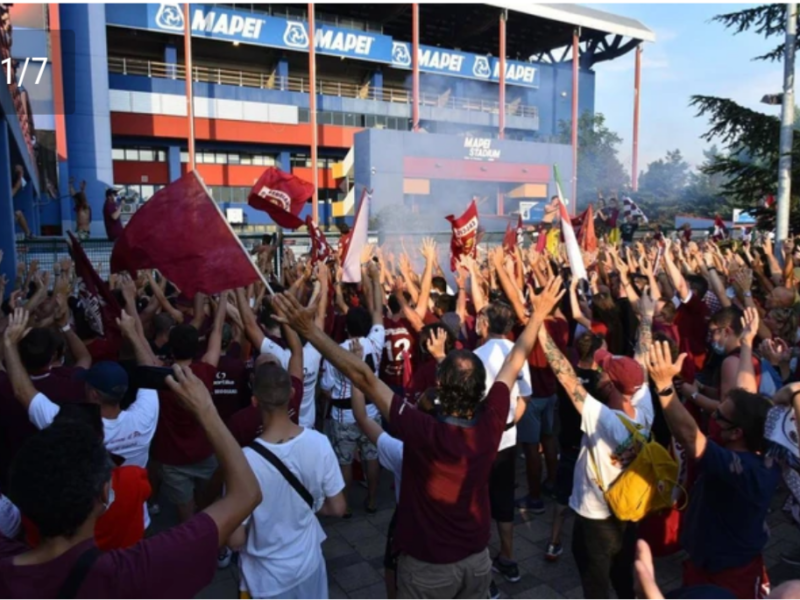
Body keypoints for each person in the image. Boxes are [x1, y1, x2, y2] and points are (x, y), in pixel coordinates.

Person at [270, 275, 565, 599]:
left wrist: (310, 331)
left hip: (428, 568)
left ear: (441, 385)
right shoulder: (491, 422)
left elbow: (364, 378)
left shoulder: (422, 429)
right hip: (477, 561)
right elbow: (514, 359)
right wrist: (537, 316)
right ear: (482, 388)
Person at [0, 362, 261, 598]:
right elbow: (247, 493)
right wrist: (205, 410)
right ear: (105, 493)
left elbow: (25, 393)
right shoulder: (134, 574)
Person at [537, 287, 655, 600]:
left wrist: (537, 321)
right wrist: (647, 318)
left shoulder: (603, 419)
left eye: (603, 367)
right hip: (629, 511)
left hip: (596, 517)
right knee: (622, 575)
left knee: (595, 584)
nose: (599, 368)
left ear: (608, 381)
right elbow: (641, 357)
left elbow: (565, 375)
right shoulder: (644, 407)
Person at [646, 339, 779, 599]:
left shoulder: (746, 470)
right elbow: (745, 394)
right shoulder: (744, 443)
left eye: (720, 416)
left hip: (731, 576)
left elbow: (688, 435)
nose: (713, 417)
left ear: (737, 432)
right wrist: (746, 343)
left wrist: (663, 388)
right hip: (704, 563)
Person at [228, 358, 345, 600]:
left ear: (254, 401)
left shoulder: (243, 462)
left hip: (264, 580)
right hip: (309, 567)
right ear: (292, 394)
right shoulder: (319, 443)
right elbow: (338, 507)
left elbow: (235, 538)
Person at [152, 293, 228, 523]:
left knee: (186, 517)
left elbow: (142, 352)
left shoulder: (160, 377)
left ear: (170, 350)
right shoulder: (204, 372)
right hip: (205, 452)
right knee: (212, 506)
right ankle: (218, 546)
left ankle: (193, 551)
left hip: (173, 459)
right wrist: (223, 296)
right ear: (197, 348)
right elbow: (217, 331)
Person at [472, 302, 531, 587]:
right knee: (505, 499)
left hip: (483, 438)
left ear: (485, 322)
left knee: (479, 500)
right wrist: (510, 423)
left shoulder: (475, 357)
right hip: (508, 436)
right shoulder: (518, 352)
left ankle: (483, 564)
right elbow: (525, 397)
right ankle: (508, 558)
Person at [319, 263, 385, 516]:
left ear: (346, 327)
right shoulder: (375, 342)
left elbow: (326, 387)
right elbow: (378, 312)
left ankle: (344, 506)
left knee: (344, 460)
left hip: (343, 415)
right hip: (370, 410)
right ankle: (371, 500)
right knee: (371, 455)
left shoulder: (336, 352)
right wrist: (375, 279)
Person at [545, 331, 603, 561]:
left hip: (568, 445)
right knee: (591, 499)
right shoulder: (601, 382)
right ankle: (591, 548)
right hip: (589, 448)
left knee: (562, 497)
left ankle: (553, 542)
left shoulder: (568, 378)